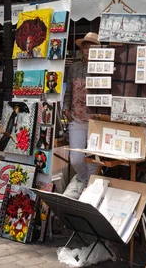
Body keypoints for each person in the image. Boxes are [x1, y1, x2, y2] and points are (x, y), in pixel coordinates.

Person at [62, 32, 101, 199]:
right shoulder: (74, 68)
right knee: (76, 158)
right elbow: (69, 90)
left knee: (94, 159)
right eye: (85, 45)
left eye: (91, 45)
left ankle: (89, 191)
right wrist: (66, 110)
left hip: (95, 121)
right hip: (76, 119)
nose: (87, 48)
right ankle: (85, 181)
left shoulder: (102, 68)